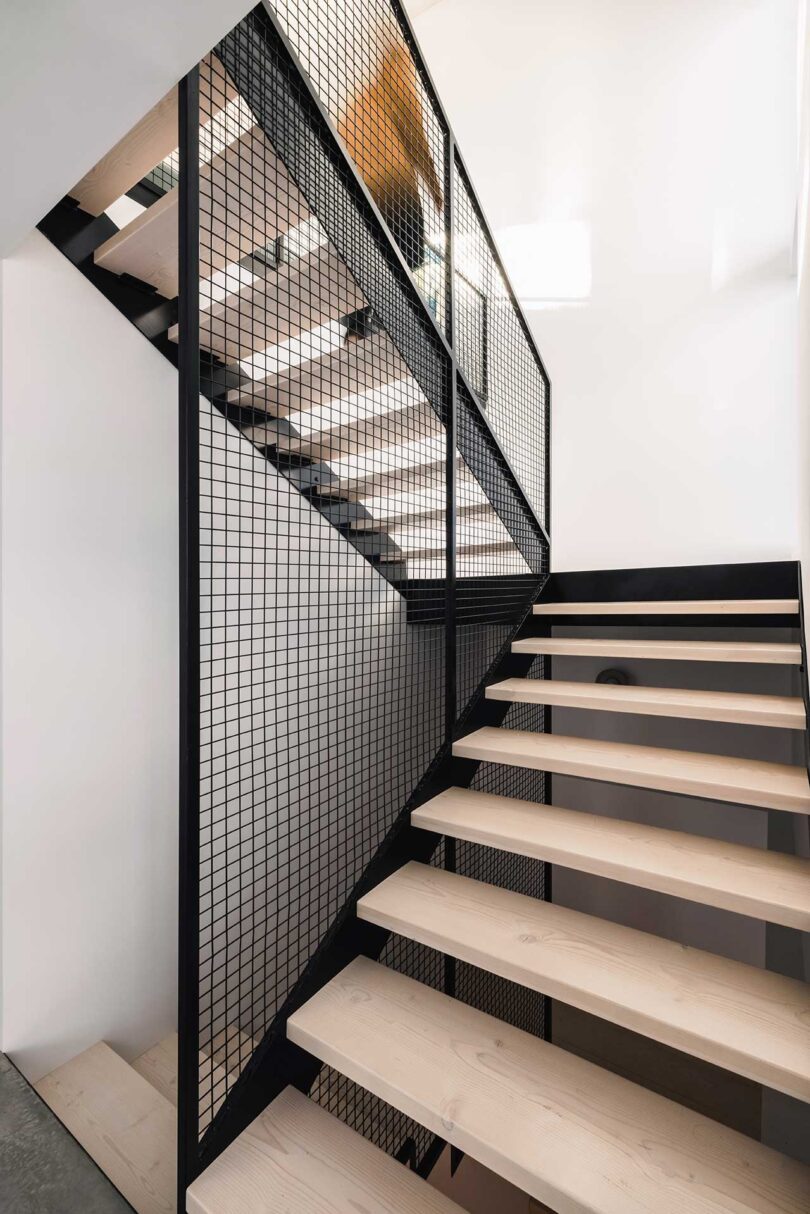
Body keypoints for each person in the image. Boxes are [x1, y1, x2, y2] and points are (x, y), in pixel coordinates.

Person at [338, 35, 443, 341]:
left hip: (369, 195)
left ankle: (361, 328)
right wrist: (435, 189)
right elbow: (417, 141)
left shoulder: (360, 103)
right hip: (393, 192)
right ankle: (382, 325)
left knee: (380, 260)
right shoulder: (391, 99)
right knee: (406, 257)